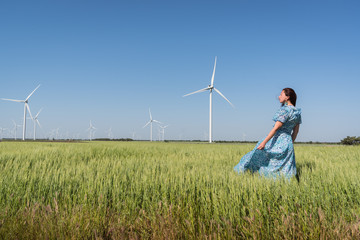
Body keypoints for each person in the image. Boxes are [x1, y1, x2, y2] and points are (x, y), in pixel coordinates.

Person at [234, 88, 302, 179]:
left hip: (277, 139)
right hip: (288, 142)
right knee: (284, 167)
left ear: (287, 97)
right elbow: (296, 131)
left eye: (281, 94)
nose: (279, 96)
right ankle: (283, 183)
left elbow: (276, 128)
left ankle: (251, 175)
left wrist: (264, 142)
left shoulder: (285, 111)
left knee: (257, 156)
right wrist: (290, 143)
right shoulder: (297, 112)